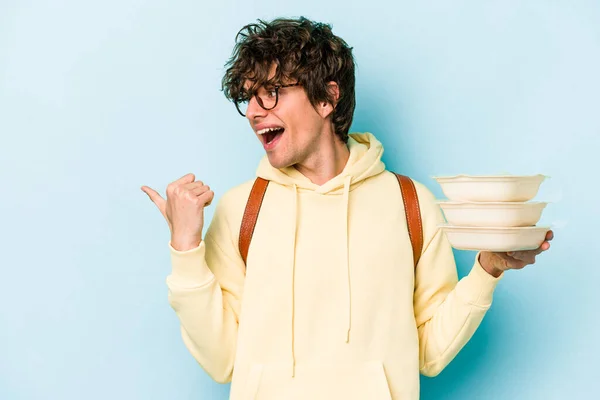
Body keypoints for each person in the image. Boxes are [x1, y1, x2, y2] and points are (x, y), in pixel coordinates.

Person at [141, 17, 553, 400]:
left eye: (271, 93)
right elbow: (221, 360)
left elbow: (428, 353)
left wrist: (487, 270)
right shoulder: (242, 209)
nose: (253, 112)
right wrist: (185, 248)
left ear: (327, 98)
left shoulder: (411, 204)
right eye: (249, 98)